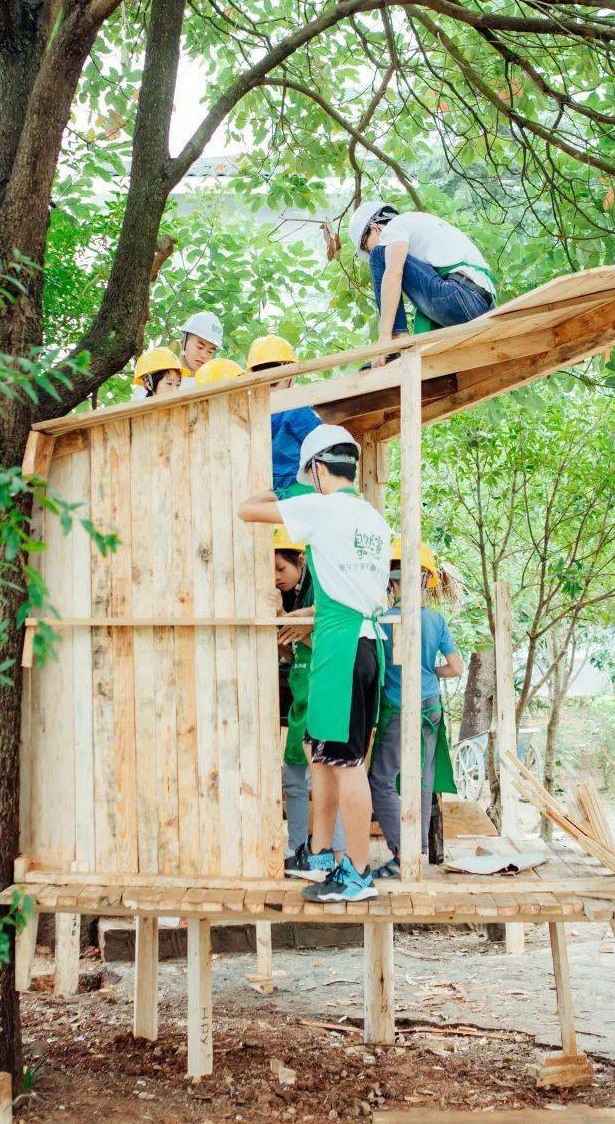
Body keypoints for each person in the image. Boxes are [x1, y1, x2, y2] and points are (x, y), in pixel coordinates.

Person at [238, 424, 390, 903]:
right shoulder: (372, 518)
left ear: (320, 470)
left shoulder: (321, 507)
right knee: (324, 756)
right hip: (363, 645)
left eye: (311, 474)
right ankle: (321, 854)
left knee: (346, 764)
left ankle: (358, 873)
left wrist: (281, 482)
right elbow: (352, 596)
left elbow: (246, 510)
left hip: (340, 651)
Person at [368, 538, 463, 879]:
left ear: (390, 581)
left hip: (397, 706)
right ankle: (417, 853)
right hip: (430, 704)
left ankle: (399, 852)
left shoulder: (379, 620)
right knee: (422, 780)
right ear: (423, 581)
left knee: (381, 779)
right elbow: (455, 668)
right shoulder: (436, 621)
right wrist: (429, 671)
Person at [273, 523, 345, 868]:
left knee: (330, 774)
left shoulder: (322, 592)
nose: (277, 577)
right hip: (301, 695)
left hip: (323, 691)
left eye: (281, 568)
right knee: (294, 775)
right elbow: (292, 654)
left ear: (301, 561)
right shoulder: (291, 598)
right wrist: (285, 627)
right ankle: (298, 847)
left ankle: (332, 851)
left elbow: (327, 645)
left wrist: (293, 622)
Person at [348, 202, 496, 355]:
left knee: (379, 255)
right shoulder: (423, 226)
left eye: (366, 247)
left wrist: (384, 337)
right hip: (479, 305)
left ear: (375, 227)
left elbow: (393, 273)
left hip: (461, 296)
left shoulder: (394, 226)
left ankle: (397, 337)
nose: (369, 250)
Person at [246, 334, 321, 497]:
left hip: (261, 491)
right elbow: (323, 443)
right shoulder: (295, 408)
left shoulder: (249, 412)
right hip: (295, 490)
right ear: (290, 375)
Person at [177, 311, 224, 377]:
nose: (203, 355)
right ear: (183, 342)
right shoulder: (162, 378)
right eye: (200, 347)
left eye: (210, 352)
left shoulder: (213, 382)